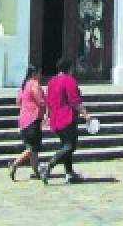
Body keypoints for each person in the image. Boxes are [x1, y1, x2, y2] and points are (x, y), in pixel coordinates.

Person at [41, 56, 91, 184]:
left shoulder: (52, 81)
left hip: (56, 119)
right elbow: (75, 101)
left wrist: (47, 115)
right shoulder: (69, 80)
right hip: (67, 118)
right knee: (70, 146)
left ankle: (69, 173)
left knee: (65, 145)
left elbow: (47, 100)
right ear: (70, 68)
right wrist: (85, 114)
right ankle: (49, 164)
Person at [8, 66, 46, 181]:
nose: (40, 76)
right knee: (33, 148)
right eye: (39, 73)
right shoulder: (34, 84)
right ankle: (15, 164)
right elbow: (41, 101)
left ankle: (36, 172)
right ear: (34, 74)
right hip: (33, 119)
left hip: (23, 120)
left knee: (33, 150)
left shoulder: (23, 85)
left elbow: (18, 102)